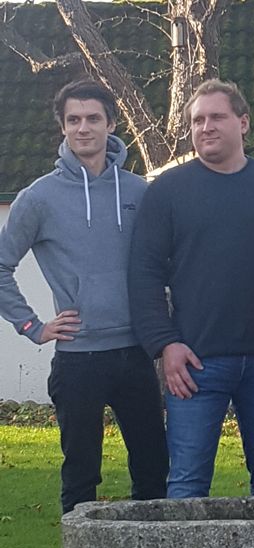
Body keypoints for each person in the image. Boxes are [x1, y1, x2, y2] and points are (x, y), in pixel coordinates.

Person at [128, 78, 254, 499]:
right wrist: (164, 344)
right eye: (197, 120)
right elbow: (143, 274)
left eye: (217, 117)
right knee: (187, 483)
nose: (206, 127)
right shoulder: (167, 191)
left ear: (244, 122)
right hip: (195, 362)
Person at [0, 79, 169, 514]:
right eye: (73, 119)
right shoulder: (38, 198)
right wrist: (32, 327)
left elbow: (165, 263)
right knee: (81, 474)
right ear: (62, 127)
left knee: (154, 470)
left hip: (135, 354)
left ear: (111, 124)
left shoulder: (139, 192)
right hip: (78, 361)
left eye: (93, 118)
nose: (83, 128)